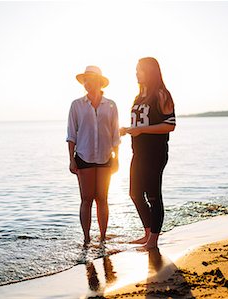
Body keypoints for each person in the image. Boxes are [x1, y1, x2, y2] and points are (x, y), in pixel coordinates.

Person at [120, 57, 176, 250]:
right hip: (138, 153)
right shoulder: (138, 97)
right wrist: (127, 130)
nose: (136, 73)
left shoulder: (161, 94)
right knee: (134, 193)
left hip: (155, 153)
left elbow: (170, 125)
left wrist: (142, 130)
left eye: (139, 70)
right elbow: (140, 125)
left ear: (150, 71)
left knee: (153, 195)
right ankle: (147, 233)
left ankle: (153, 240)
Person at [67, 65, 120, 245]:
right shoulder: (76, 105)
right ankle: (87, 239)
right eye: (85, 80)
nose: (87, 83)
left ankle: (103, 238)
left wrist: (117, 158)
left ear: (98, 81)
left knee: (102, 199)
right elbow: (71, 134)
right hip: (83, 155)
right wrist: (71, 159)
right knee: (86, 199)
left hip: (105, 157)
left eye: (90, 79)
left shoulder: (111, 105)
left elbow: (115, 134)